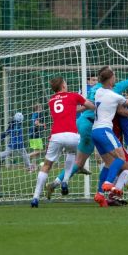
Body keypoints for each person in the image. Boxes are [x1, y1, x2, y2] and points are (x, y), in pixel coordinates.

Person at [47, 62, 128, 196]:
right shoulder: (116, 89)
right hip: (97, 127)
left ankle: (58, 182)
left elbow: (96, 103)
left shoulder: (96, 89)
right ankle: (112, 186)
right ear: (110, 79)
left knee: (80, 162)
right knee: (117, 161)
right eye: (113, 75)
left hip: (82, 123)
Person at [31, 77, 95, 207]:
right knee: (71, 154)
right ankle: (65, 181)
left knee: (47, 166)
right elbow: (91, 106)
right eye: (65, 82)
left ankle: (35, 197)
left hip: (56, 136)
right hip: (72, 135)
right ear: (63, 86)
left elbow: (67, 110)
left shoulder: (51, 101)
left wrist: (76, 107)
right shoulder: (73, 96)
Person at [92, 67, 128, 207]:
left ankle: (99, 194)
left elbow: (114, 101)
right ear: (111, 79)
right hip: (105, 130)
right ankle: (108, 183)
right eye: (114, 76)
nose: (115, 78)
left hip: (95, 131)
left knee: (109, 164)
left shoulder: (99, 91)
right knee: (121, 158)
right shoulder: (114, 96)